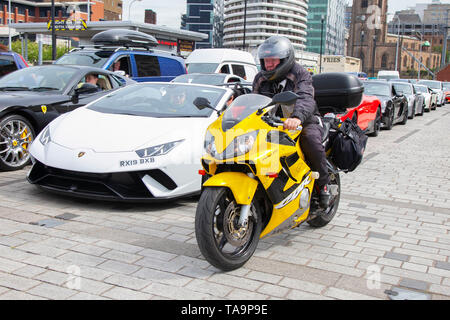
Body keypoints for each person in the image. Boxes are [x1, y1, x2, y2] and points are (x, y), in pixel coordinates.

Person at [252, 35, 330, 208]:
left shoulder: (300, 74)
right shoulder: (260, 78)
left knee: (309, 139)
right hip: (272, 123)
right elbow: (253, 100)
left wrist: (296, 117)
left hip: (304, 120)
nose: (268, 64)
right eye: (265, 60)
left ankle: (324, 184)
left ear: (285, 60)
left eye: (273, 60)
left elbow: (306, 97)